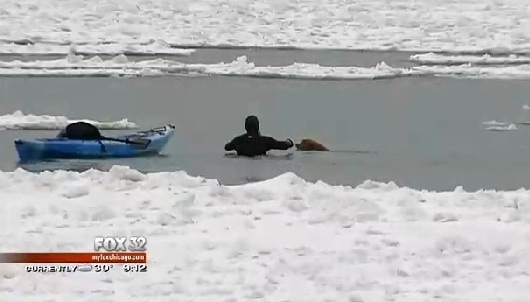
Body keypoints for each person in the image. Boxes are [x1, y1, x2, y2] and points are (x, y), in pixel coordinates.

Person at [224, 115, 294, 157]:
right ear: (257, 127)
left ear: (245, 127)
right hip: (261, 160)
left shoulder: (237, 141)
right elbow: (282, 146)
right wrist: (289, 142)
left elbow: (227, 147)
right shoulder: (265, 141)